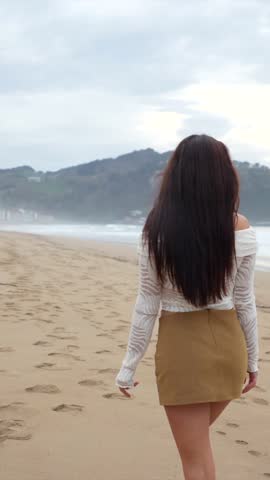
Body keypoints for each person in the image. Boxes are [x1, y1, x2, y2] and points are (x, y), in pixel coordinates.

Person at [115, 134, 259, 480]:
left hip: (182, 351)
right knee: (200, 449)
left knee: (193, 458)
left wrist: (128, 366)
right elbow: (244, 301)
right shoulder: (241, 227)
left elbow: (147, 302)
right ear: (225, 176)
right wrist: (253, 360)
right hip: (229, 347)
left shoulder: (157, 230)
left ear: (175, 175)